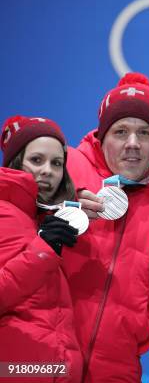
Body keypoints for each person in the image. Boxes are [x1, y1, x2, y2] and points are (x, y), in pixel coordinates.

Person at [61, 72, 149, 381]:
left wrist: (145, 322)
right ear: (102, 136)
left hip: (119, 365)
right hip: (45, 353)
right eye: (121, 131)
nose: (132, 144)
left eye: (144, 133)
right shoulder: (62, 171)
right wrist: (56, 217)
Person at [0, 115, 83, 382]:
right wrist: (42, 251)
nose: (47, 170)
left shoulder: (39, 220)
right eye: (36, 160)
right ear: (15, 163)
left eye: (56, 163)